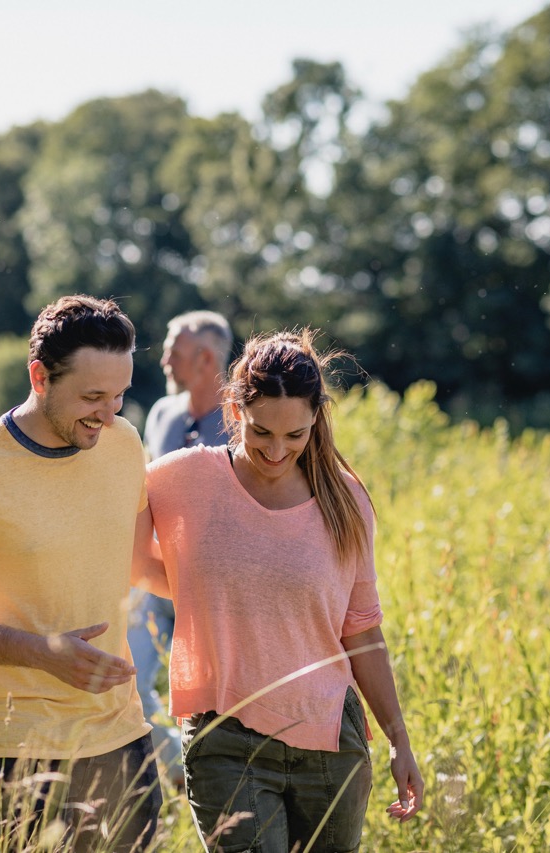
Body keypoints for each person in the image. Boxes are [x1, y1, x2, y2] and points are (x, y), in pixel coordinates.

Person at [134, 329, 424, 851]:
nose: (276, 450)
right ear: (234, 407)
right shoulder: (180, 479)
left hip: (330, 740)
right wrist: (205, 590)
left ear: (317, 419)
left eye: (296, 435)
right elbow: (134, 559)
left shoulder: (345, 498)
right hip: (225, 736)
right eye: (261, 431)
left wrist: (399, 739)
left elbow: (361, 629)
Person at [0, 295, 162, 850]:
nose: (109, 412)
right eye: (93, 396)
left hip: (120, 728)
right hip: (20, 744)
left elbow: (139, 562)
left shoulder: (124, 443)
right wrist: (40, 651)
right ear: (40, 377)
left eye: (120, 394)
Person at [128, 310, 233, 780]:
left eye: (174, 348)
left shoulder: (242, 418)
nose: (164, 357)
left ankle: (214, 777)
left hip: (214, 587)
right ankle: (176, 770)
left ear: (206, 357)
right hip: (154, 575)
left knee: (214, 693)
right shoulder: (161, 413)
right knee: (130, 675)